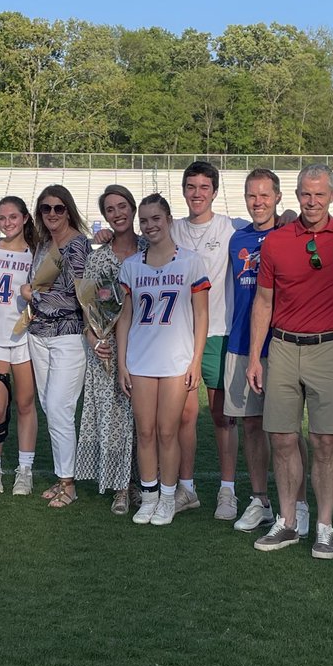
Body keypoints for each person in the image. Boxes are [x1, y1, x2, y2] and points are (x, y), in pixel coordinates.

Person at [246, 164, 333, 557]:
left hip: (329, 347)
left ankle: (324, 526)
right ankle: (287, 521)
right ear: (296, 194)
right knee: (282, 438)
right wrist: (256, 357)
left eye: (320, 194)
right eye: (306, 193)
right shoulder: (277, 241)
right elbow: (264, 301)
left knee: (324, 441)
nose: (313, 201)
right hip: (283, 347)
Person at [117, 194, 210, 526]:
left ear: (169, 219)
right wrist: (122, 363)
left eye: (156, 218)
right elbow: (126, 318)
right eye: (144, 220)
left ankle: (169, 498)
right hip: (141, 359)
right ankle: (150, 495)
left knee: (168, 431)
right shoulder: (131, 267)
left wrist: (196, 360)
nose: (150, 225)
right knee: (145, 431)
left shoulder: (191, 261)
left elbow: (202, 316)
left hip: (176, 360)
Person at [225, 170, 309, 535]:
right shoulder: (236, 239)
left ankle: (301, 505)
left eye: (264, 195)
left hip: (282, 345)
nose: (257, 202)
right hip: (243, 343)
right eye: (251, 196)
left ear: (278, 198)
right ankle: (260, 499)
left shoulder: (290, 234)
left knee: (287, 431)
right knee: (251, 426)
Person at [170, 161, 241, 519]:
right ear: (183, 190)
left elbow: (276, 224)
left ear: (214, 191)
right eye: (191, 187)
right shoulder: (171, 229)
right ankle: (187, 488)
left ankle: (227, 491)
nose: (197, 194)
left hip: (218, 333)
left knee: (222, 416)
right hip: (179, 336)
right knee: (184, 414)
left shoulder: (231, 228)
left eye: (203, 187)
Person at [19, 184, 90, 508]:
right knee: (50, 407)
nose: (51, 214)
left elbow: (78, 295)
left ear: (68, 210)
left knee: (60, 409)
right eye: (45, 208)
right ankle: (64, 476)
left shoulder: (77, 246)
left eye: (58, 208)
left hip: (67, 335)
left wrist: (34, 296)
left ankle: (69, 482)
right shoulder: (44, 243)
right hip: (38, 335)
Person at [75, 184, 145, 515]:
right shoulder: (98, 257)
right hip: (107, 350)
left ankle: (142, 483)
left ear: (133, 209)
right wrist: (94, 341)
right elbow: (88, 309)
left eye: (122, 207)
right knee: (115, 416)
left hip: (146, 346)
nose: (117, 214)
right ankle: (120, 487)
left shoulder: (150, 249)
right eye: (110, 210)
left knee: (144, 419)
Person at [0, 197, 38, 496]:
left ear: (25, 218)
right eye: (1, 217)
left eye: (13, 216)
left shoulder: (36, 253)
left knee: (26, 405)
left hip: (24, 338)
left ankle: (24, 470)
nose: (7, 222)